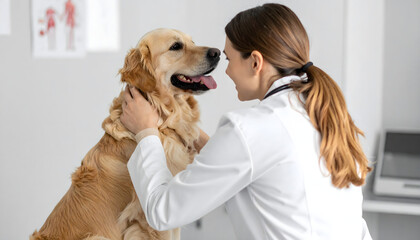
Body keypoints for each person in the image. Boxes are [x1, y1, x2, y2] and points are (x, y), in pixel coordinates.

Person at [120, 3, 372, 240]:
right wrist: (186, 129)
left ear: (255, 62)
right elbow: (249, 161)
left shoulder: (248, 129)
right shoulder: (327, 115)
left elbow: (162, 211)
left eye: (229, 60)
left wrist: (146, 132)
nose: (226, 71)